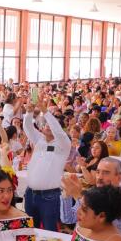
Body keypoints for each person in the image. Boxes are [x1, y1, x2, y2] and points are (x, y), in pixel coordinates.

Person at [22, 97, 71, 230]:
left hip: (49, 196)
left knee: (50, 231)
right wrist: (29, 113)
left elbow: (58, 132)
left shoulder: (63, 145)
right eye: (46, 124)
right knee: (30, 231)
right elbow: (27, 127)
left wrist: (45, 111)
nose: (48, 126)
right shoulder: (39, 140)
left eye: (51, 124)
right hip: (31, 193)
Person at [61, 157, 121, 238]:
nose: (100, 177)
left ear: (119, 177)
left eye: (106, 173)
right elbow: (68, 219)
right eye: (98, 172)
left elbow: (99, 225)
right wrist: (66, 194)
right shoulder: (92, 193)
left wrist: (79, 196)